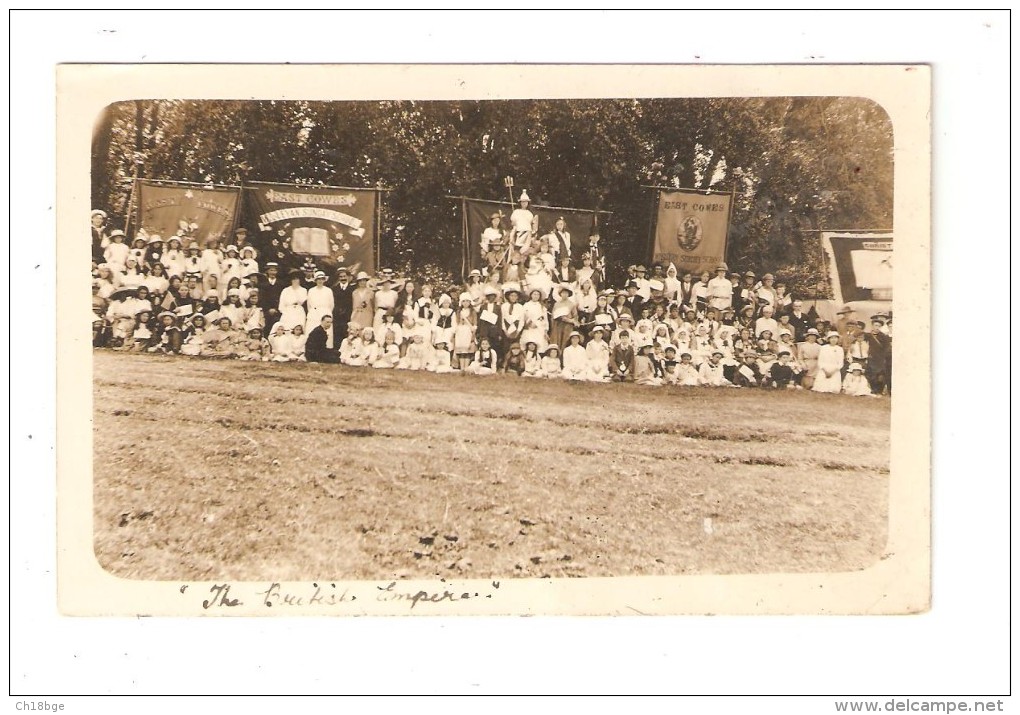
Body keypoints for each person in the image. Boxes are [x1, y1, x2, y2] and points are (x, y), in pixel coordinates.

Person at [865, 316, 892, 395]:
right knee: (870, 374)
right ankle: (873, 389)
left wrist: (883, 358)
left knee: (880, 375)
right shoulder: (867, 335)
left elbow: (887, 348)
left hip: (880, 359)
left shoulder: (884, 337)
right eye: (875, 325)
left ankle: (879, 390)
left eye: (879, 326)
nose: (877, 327)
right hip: (870, 358)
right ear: (872, 326)